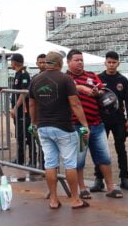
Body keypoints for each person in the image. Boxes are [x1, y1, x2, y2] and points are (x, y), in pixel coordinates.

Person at [28, 51, 90, 209]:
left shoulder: (35, 80)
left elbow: (32, 104)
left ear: (47, 63)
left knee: (50, 163)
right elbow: (75, 103)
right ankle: (75, 199)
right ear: (60, 63)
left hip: (43, 126)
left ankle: (53, 200)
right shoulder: (65, 79)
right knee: (70, 163)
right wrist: (84, 124)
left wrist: (34, 122)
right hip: (63, 126)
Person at [65, 49, 120, 199]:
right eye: (76, 60)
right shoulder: (65, 78)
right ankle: (82, 188)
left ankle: (110, 187)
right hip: (78, 127)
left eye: (81, 60)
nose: (80, 63)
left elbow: (103, 91)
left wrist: (98, 92)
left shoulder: (91, 75)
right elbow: (62, 89)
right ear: (68, 62)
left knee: (104, 157)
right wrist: (80, 88)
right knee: (79, 159)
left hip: (97, 124)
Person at [92, 51, 128, 192]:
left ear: (118, 63)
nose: (111, 65)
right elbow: (93, 100)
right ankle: (98, 180)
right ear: (105, 63)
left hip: (118, 120)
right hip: (101, 120)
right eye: (109, 62)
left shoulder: (123, 80)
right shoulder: (98, 79)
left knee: (121, 149)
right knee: (99, 150)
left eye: (114, 62)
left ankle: (124, 179)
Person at [8, 53, 32, 165]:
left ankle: (31, 160)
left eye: (11, 61)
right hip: (18, 112)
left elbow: (23, 94)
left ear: (15, 62)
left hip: (24, 112)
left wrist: (15, 108)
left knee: (26, 136)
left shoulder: (24, 74)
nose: (10, 63)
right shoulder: (17, 74)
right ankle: (20, 159)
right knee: (19, 136)